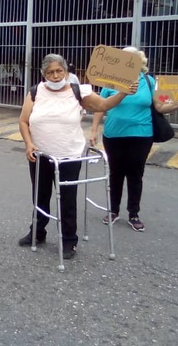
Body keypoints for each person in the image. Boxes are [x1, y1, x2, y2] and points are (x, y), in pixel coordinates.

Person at [17, 53, 136, 259]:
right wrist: (29, 144)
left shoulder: (78, 91)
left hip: (69, 156)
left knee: (67, 199)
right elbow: (23, 121)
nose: (55, 76)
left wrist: (123, 93)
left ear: (66, 71)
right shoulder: (35, 92)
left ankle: (69, 240)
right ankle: (37, 232)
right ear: (43, 74)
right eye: (50, 72)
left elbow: (103, 105)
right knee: (40, 196)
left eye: (59, 71)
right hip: (40, 155)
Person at [89, 47, 178, 232]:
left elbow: (160, 107)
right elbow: (100, 106)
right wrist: (93, 130)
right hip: (114, 134)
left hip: (141, 135)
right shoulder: (110, 82)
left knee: (135, 174)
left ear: (140, 63)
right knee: (115, 174)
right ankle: (113, 211)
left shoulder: (148, 82)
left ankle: (134, 213)